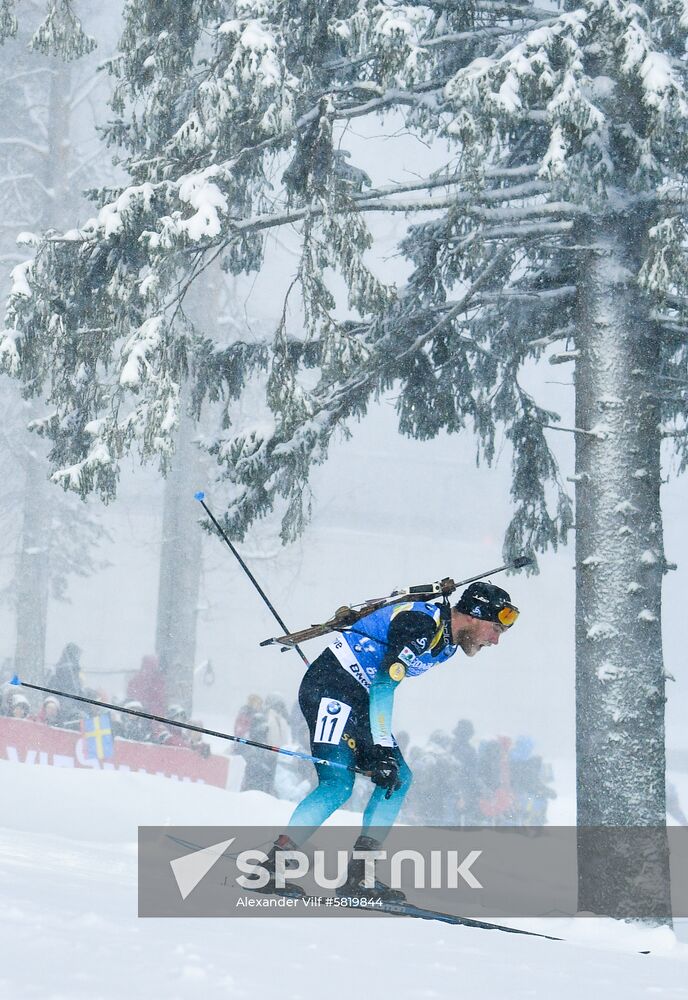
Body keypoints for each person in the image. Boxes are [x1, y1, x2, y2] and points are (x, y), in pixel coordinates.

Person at [261, 580, 519, 900]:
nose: (495, 640)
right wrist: (382, 748)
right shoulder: (421, 626)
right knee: (337, 783)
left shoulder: (448, 642)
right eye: (495, 629)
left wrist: (383, 753)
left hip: (359, 698)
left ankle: (360, 876)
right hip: (331, 686)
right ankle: (272, 867)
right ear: (474, 616)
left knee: (398, 779)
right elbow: (385, 684)